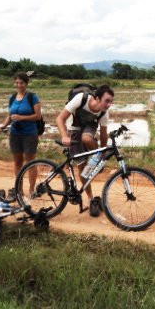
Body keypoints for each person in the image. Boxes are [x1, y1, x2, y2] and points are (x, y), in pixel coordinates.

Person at [56, 84, 114, 216]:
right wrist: (64, 136)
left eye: (111, 101)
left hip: (89, 127)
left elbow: (104, 134)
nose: (109, 104)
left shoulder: (104, 112)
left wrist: (103, 154)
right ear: (97, 98)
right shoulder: (81, 99)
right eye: (107, 101)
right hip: (74, 128)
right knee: (82, 170)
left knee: (87, 139)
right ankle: (90, 197)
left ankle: (96, 160)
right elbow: (60, 118)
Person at [0, 72, 42, 200]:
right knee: (17, 162)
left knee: (30, 162)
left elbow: (37, 116)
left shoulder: (33, 97)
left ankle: (31, 189)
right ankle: (19, 190)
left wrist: (21, 117)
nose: (19, 85)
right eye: (17, 83)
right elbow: (10, 115)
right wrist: (4, 125)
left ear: (26, 83)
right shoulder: (12, 98)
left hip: (30, 134)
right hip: (15, 134)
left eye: (22, 83)